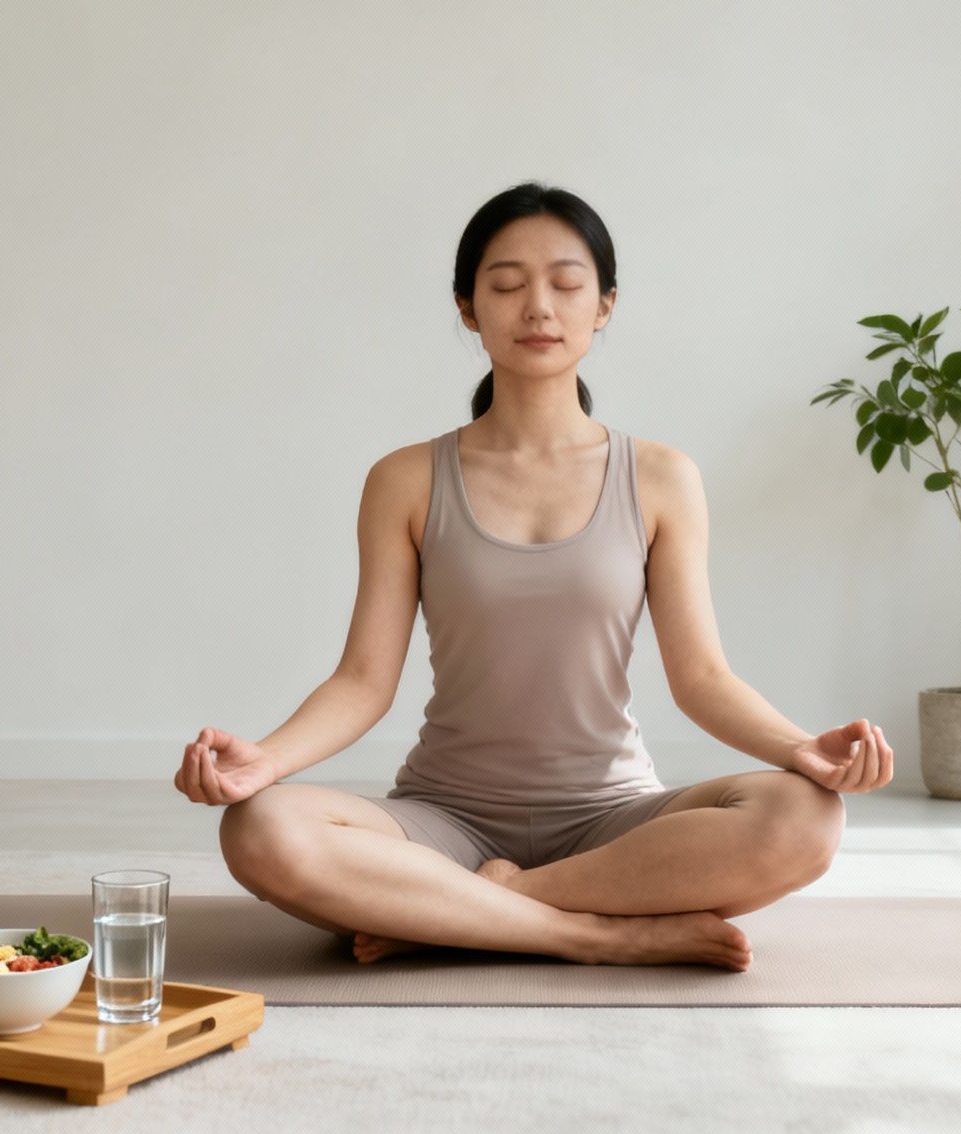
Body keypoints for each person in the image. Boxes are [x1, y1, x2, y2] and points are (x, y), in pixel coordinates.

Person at [173, 181, 894, 971]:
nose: (538, 308)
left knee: (805, 818)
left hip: (613, 822)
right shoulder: (405, 479)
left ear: (605, 305)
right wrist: (266, 762)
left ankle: (457, 913)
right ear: (468, 309)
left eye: (566, 283)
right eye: (508, 285)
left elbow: (703, 678)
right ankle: (596, 933)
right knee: (259, 828)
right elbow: (363, 680)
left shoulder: (660, 476)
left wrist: (804, 749)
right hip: (442, 821)